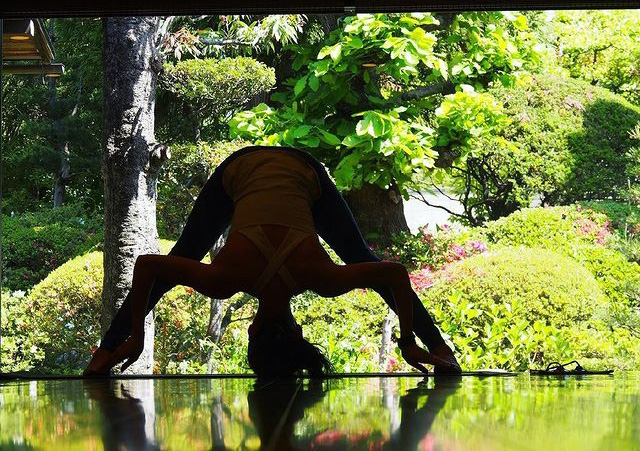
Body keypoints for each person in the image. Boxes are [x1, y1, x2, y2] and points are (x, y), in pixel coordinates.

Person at [84, 146, 461, 376]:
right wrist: (135, 337)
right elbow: (148, 267)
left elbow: (394, 275)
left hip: (302, 168)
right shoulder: (225, 280)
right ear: (251, 332)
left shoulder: (321, 278)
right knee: (179, 259)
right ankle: (102, 356)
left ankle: (441, 351)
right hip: (240, 168)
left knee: (362, 259)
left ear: (297, 332)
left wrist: (408, 342)